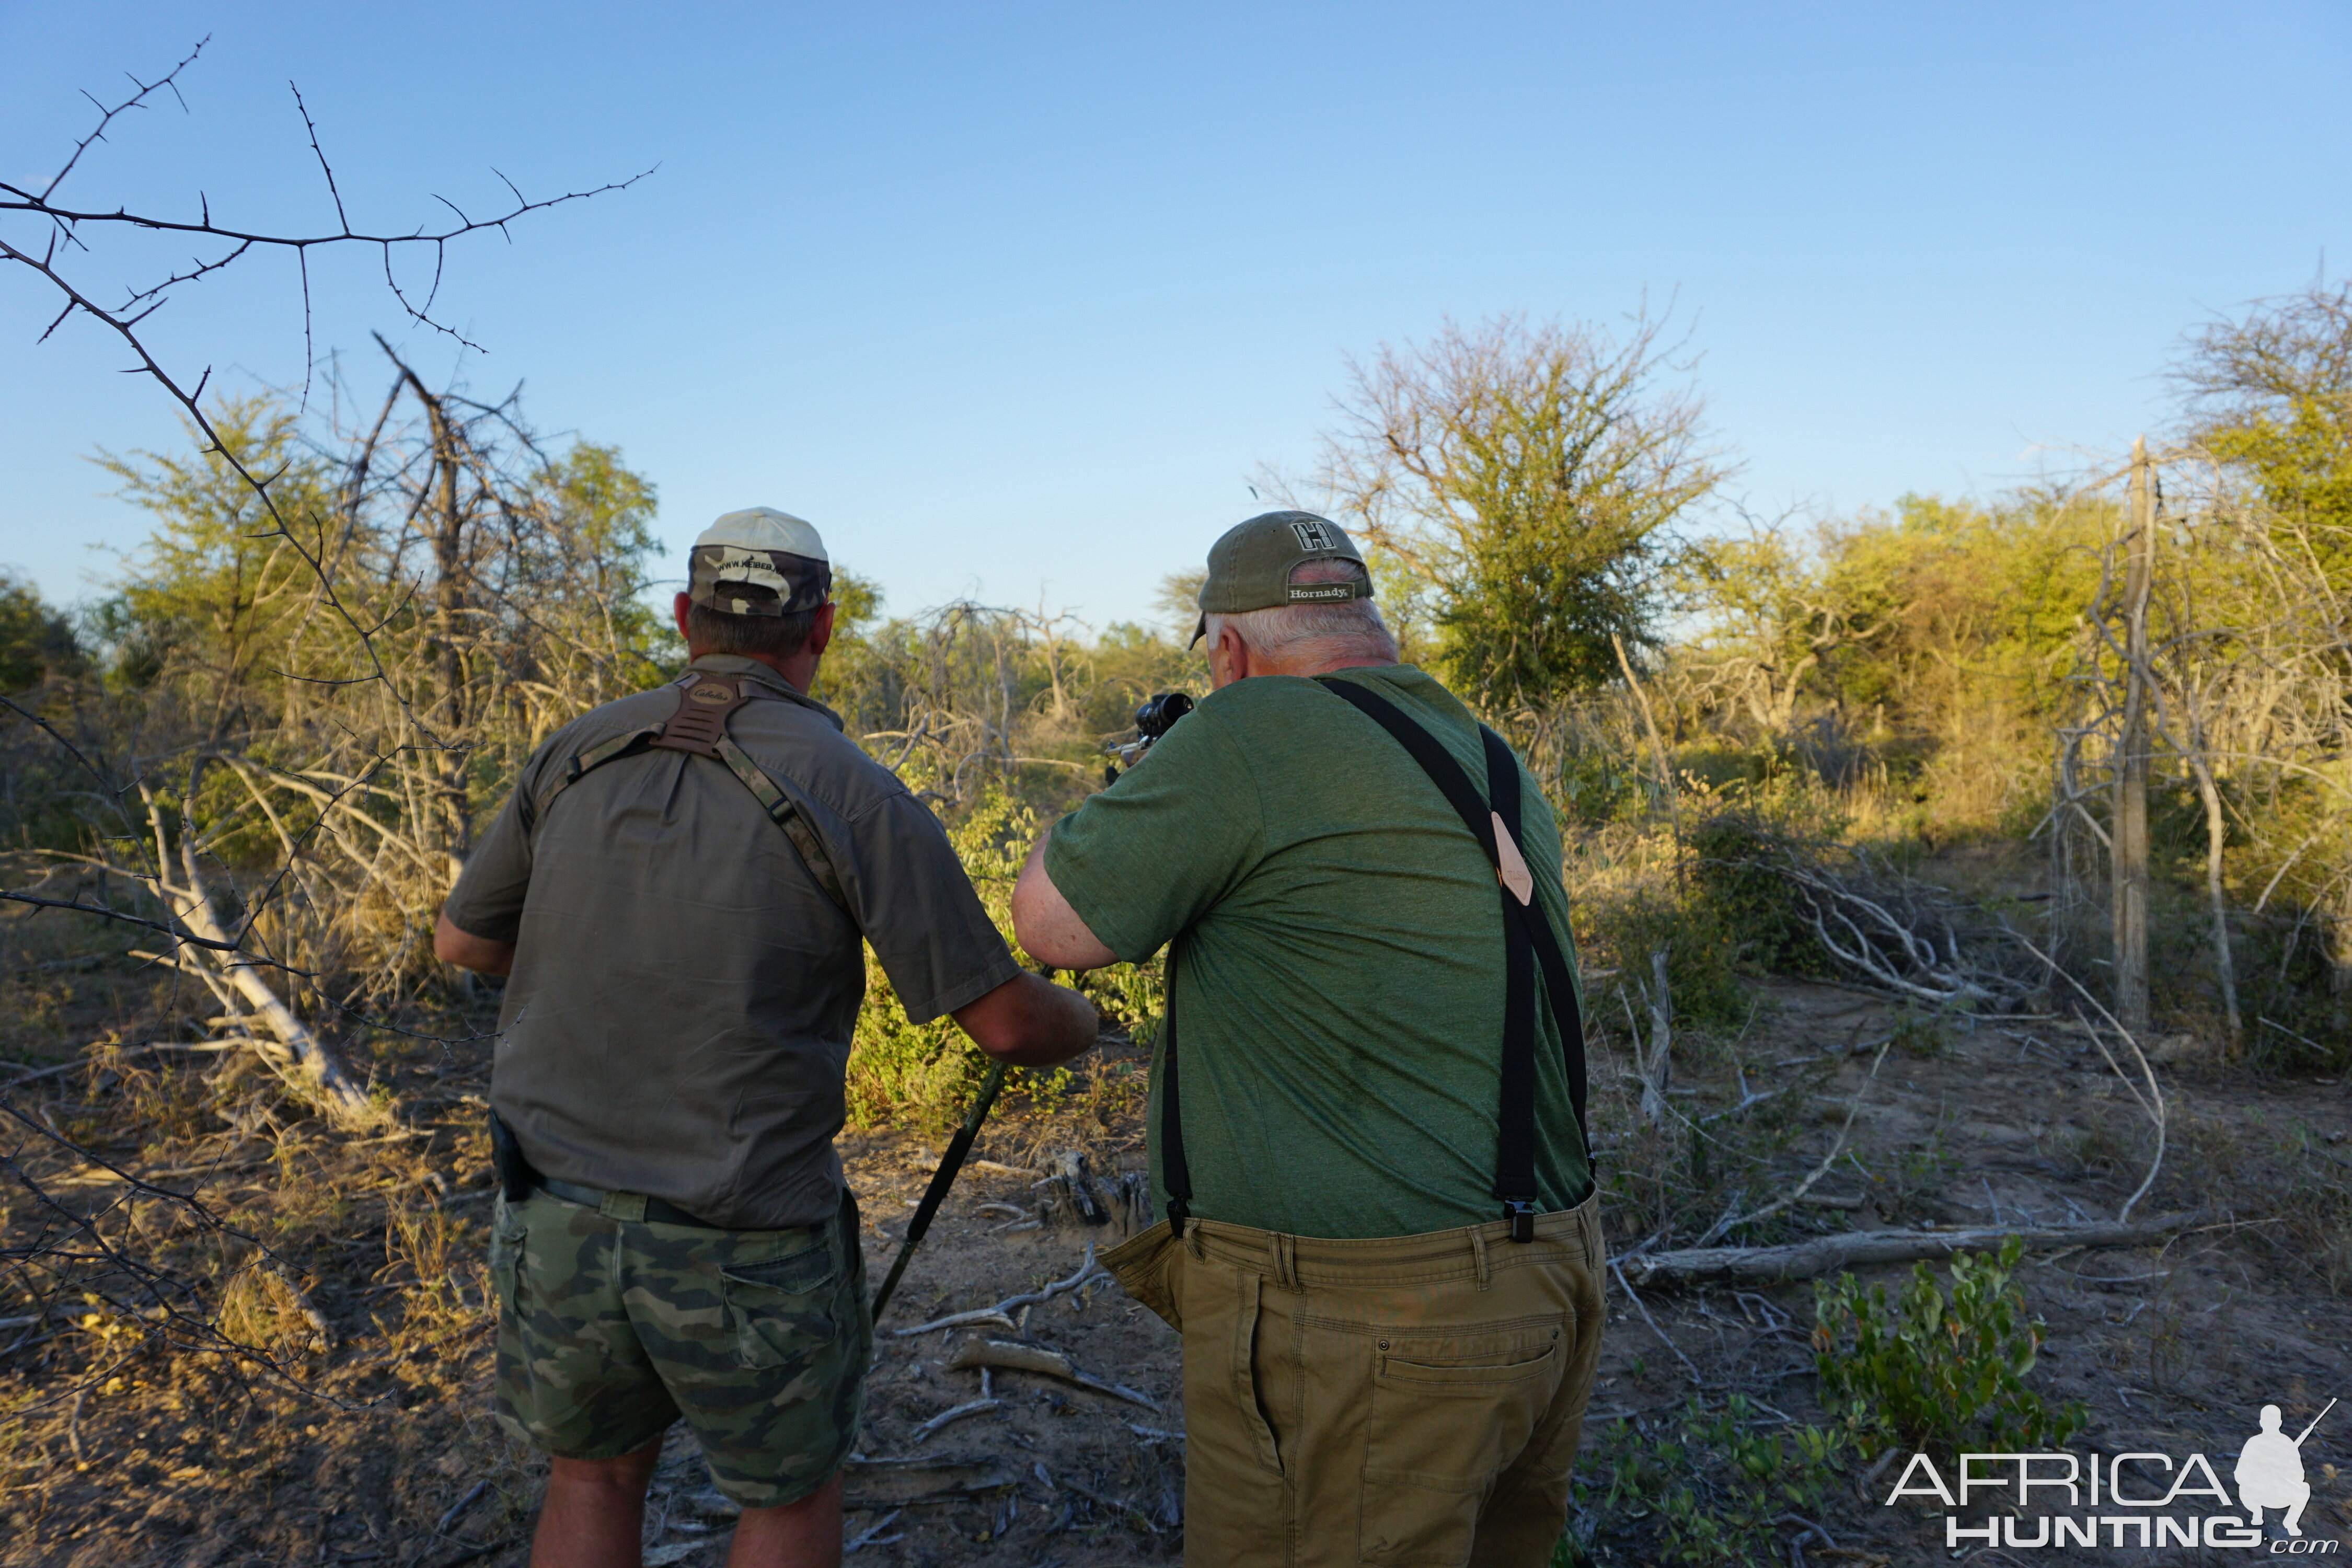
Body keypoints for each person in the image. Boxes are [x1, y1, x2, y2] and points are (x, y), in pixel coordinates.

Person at [436, 506, 1098, 1568]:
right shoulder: (854, 789)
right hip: (745, 1235)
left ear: (686, 616)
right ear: (823, 626)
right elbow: (1011, 1023)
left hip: (552, 1213)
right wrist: (1089, 1015)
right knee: (789, 1496)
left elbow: (465, 943)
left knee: (592, 1475)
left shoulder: (573, 751)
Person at [1011, 511, 1603, 1567]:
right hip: (1548, 1276)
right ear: (1367, 625)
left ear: (1228, 650)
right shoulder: (1487, 752)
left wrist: (1123, 795)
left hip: (1371, 1320)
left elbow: (1053, 925)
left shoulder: (1247, 731)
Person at [2235, 1403, 2314, 1536]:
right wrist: (2259, 1473)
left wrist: (2284, 1469)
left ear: (2280, 1422)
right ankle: (2256, 1512)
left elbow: (2300, 1474)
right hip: (2258, 1492)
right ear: (2261, 1422)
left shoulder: (2287, 1443)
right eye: (2267, 1420)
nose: (2270, 1424)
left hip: (2280, 1492)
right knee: (2244, 1488)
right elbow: (2240, 1473)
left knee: (2304, 1488)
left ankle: (2291, 1522)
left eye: (2274, 1420)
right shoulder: (2254, 1443)